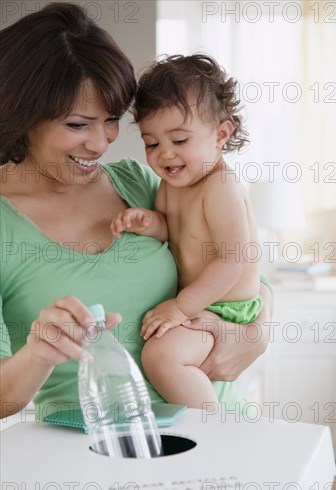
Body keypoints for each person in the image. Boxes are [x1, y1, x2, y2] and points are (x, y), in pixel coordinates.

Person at [0, 3, 272, 422]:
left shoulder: (138, 183)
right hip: (92, 456)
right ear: (22, 115)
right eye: (77, 125)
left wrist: (257, 333)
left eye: (111, 120)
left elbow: (241, 265)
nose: (101, 143)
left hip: (216, 433)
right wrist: (39, 353)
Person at [110, 54, 263, 409]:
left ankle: (211, 432)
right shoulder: (172, 184)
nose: (165, 154)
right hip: (206, 301)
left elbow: (233, 261)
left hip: (229, 307)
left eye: (179, 140)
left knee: (162, 357)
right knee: (163, 355)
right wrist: (149, 223)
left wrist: (180, 308)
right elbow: (173, 231)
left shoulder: (220, 186)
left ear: (221, 135)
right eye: (152, 143)